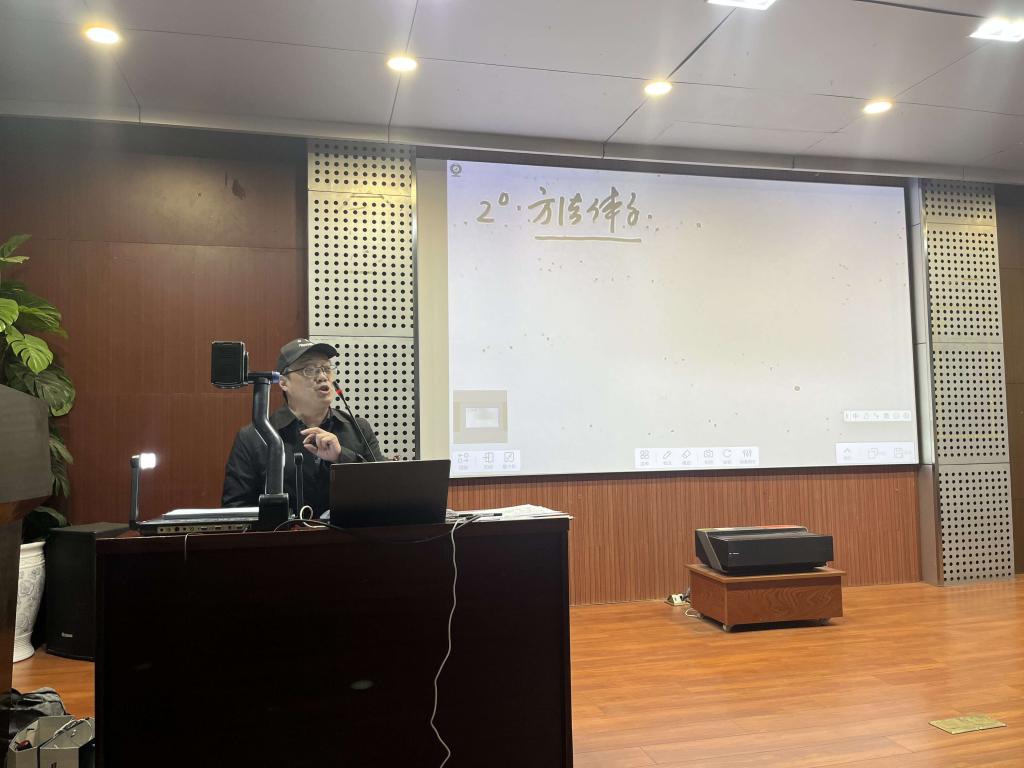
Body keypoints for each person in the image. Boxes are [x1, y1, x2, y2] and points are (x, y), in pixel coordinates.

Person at [222, 338, 384, 514]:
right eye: (309, 370)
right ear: (284, 382)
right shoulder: (253, 437)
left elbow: (384, 488)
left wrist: (341, 456)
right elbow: (235, 510)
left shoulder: (359, 428)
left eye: (326, 368)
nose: (322, 376)